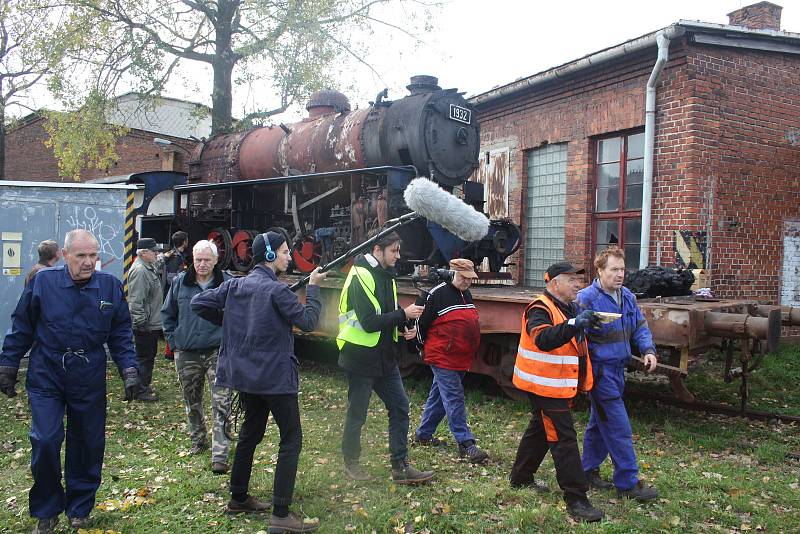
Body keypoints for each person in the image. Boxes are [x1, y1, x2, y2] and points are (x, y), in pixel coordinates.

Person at [0, 229, 140, 534]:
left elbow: (120, 333)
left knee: (87, 443)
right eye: (81, 256)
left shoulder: (110, 287)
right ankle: (47, 510)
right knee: (46, 440)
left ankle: (80, 507)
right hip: (47, 372)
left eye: (94, 256)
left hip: (88, 373)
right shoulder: (44, 282)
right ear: (65, 256)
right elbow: (22, 324)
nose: (89, 262)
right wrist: (8, 364)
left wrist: (129, 370)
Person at [192, 231, 324, 533]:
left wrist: (231, 322)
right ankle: (280, 514)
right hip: (276, 380)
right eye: (284, 251)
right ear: (268, 255)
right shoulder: (278, 292)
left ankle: (238, 497)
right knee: (291, 440)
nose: (290, 256)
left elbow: (198, 304)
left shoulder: (234, 286)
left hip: (247, 379)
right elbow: (309, 322)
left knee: (250, 435)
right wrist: (314, 289)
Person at [509, 262, 604, 522]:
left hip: (556, 385)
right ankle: (576, 498)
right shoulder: (539, 308)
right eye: (571, 279)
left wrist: (584, 325)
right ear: (553, 283)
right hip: (545, 387)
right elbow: (543, 339)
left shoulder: (568, 307)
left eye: (578, 279)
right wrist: (575, 324)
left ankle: (520, 477)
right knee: (564, 438)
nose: (578, 284)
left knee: (539, 430)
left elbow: (569, 339)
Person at [337, 231, 433, 485]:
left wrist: (404, 329)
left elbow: (387, 316)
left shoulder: (387, 278)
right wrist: (403, 314)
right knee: (357, 413)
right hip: (359, 358)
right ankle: (351, 463)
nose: (398, 255)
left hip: (384, 358)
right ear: (378, 250)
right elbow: (368, 323)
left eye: (398, 250)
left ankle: (400, 466)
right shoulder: (360, 276)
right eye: (394, 250)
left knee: (400, 407)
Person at [576, 246, 659, 502]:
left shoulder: (627, 297)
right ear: (599, 270)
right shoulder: (585, 299)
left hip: (617, 370)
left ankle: (587, 471)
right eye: (614, 269)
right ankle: (627, 483)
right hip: (600, 374)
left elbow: (640, 327)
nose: (620, 274)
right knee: (618, 427)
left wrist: (648, 349)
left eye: (623, 269)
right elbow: (576, 339)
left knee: (598, 426)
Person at [161, 240, 232, 474]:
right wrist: (174, 342)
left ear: (215, 261)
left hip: (217, 351)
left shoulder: (227, 283)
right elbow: (167, 314)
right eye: (198, 259)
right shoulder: (181, 283)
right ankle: (197, 439)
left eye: (206, 260)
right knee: (192, 401)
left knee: (221, 401)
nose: (201, 264)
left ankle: (220, 453)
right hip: (187, 352)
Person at [412, 258, 487, 463]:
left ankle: (423, 435)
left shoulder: (466, 294)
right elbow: (421, 324)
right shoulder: (436, 294)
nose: (467, 281)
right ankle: (466, 444)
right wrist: (420, 348)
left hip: (460, 357)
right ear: (452, 273)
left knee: (439, 397)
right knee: (454, 397)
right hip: (441, 356)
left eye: (470, 278)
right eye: (463, 277)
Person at [127, 237, 164, 401]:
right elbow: (136, 300)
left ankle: (143, 386)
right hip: (146, 324)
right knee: (144, 358)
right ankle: (139, 390)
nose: (157, 253)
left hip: (151, 322)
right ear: (143, 253)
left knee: (148, 357)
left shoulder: (147, 267)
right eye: (153, 251)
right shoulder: (141, 271)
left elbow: (158, 262)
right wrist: (140, 322)